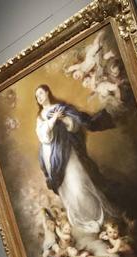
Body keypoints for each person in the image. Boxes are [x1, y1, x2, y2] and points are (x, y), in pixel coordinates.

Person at [34, 84, 116, 234]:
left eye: (40, 93)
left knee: (80, 185)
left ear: (47, 92)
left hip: (68, 151)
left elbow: (75, 126)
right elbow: (43, 137)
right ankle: (82, 221)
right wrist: (52, 121)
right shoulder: (40, 117)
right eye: (37, 96)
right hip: (53, 158)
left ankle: (98, 218)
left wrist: (63, 118)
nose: (39, 97)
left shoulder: (61, 107)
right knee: (69, 190)